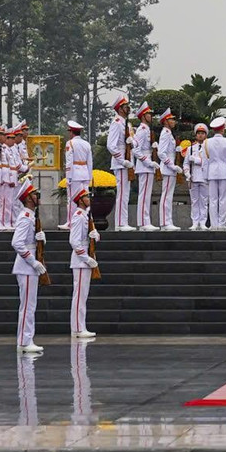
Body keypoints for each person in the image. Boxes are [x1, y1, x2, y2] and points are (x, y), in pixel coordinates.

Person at [10, 182, 47, 354]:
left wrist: (41, 239)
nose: (38, 197)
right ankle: (25, 341)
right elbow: (17, 243)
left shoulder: (31, 216)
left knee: (30, 305)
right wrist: (33, 262)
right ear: (28, 198)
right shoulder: (25, 216)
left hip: (29, 265)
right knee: (27, 306)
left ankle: (27, 339)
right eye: (35, 194)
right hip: (26, 267)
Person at [67, 186, 99, 340]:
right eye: (86, 197)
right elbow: (74, 241)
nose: (89, 199)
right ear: (80, 200)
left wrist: (95, 235)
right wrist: (86, 259)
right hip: (80, 261)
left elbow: (90, 237)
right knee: (79, 295)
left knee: (83, 295)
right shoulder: (79, 216)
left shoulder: (86, 215)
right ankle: (78, 328)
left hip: (85, 257)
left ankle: (81, 326)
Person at [105, 97, 133, 231]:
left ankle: (124, 222)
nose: (128, 108)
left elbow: (133, 142)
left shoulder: (126, 123)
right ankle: (120, 224)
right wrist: (122, 161)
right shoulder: (116, 122)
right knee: (122, 193)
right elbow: (111, 145)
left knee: (125, 193)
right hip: (121, 163)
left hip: (127, 161)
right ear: (120, 108)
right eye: (125, 106)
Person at [204, 117, 226, 230]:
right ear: (223, 129)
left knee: (212, 199)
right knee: (223, 199)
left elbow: (205, 161)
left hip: (211, 173)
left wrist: (205, 176)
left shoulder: (207, 142)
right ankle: (222, 224)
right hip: (224, 172)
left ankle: (214, 224)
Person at [131, 105, 159, 230]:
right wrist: (148, 162)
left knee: (147, 194)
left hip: (147, 165)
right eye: (149, 114)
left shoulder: (146, 129)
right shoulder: (142, 130)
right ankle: (143, 222)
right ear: (143, 116)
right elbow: (136, 150)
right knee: (144, 195)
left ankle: (145, 221)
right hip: (144, 166)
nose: (151, 116)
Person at [156, 111, 181, 231]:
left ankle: (168, 221)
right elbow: (161, 153)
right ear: (166, 121)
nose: (174, 121)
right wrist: (172, 166)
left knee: (168, 196)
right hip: (168, 168)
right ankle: (165, 222)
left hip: (170, 169)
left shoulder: (169, 133)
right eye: (171, 119)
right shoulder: (165, 133)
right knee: (166, 196)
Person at [64, 119, 93, 210]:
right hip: (85, 174)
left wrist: (68, 177)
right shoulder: (86, 144)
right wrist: (89, 177)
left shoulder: (70, 143)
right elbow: (90, 162)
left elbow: (69, 161)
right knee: (85, 198)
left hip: (74, 175)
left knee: (72, 199)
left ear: (72, 132)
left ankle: (71, 222)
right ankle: (87, 219)